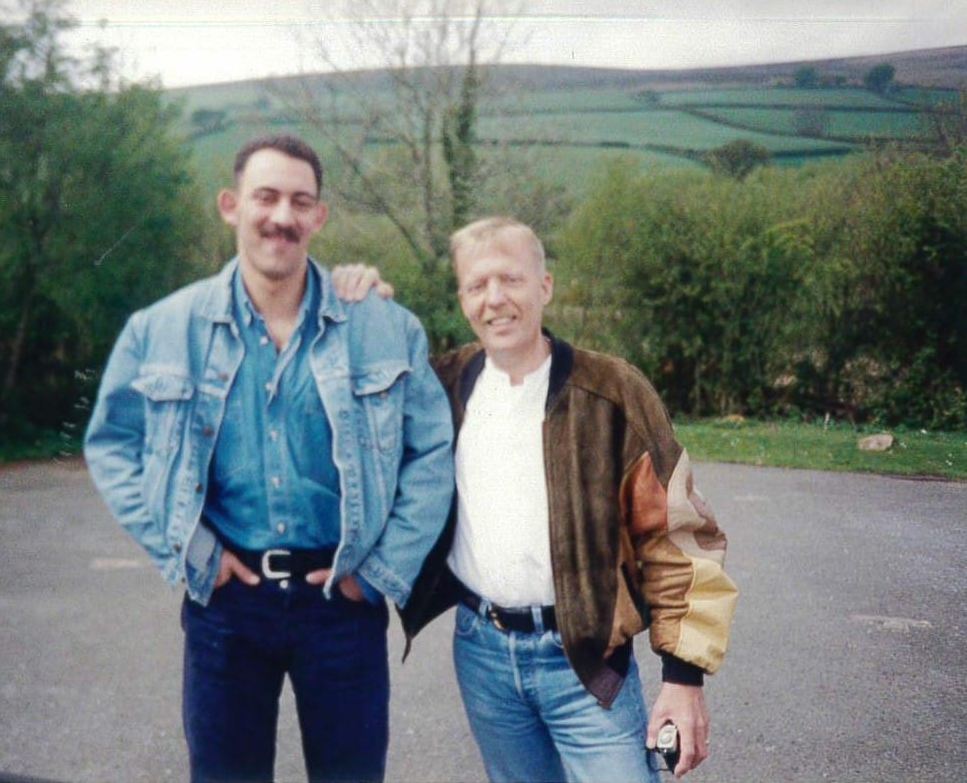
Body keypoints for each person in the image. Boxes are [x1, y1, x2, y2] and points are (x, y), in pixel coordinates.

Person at [83, 134, 454, 783]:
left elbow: (431, 455)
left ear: (319, 216)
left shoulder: (385, 327)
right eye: (266, 196)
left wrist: (381, 571)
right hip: (226, 607)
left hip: (343, 601)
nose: (281, 216)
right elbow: (112, 444)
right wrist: (188, 549)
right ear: (231, 205)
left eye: (299, 200)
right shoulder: (162, 327)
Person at [355, 216, 737, 782]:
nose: (495, 300)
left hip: (586, 661)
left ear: (545, 287)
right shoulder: (443, 387)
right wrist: (365, 311)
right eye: (476, 286)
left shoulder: (613, 393)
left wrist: (683, 680)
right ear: (461, 299)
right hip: (482, 654)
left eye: (510, 279)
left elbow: (678, 536)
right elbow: (357, 410)